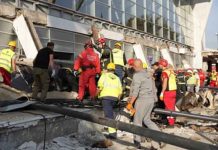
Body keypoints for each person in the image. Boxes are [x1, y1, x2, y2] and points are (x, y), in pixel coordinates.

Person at [128, 59, 162, 149]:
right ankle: (159, 137)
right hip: (150, 100)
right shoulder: (148, 74)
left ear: (135, 67)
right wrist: (154, 100)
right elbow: (154, 89)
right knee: (147, 120)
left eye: (133, 66)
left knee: (137, 122)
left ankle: (137, 143)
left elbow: (135, 92)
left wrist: (130, 103)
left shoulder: (137, 76)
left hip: (142, 100)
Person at [97, 62, 122, 138]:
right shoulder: (117, 78)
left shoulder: (104, 76)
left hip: (106, 98)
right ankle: (108, 127)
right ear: (114, 70)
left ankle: (113, 133)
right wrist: (118, 99)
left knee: (109, 115)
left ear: (107, 69)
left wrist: (94, 96)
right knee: (110, 113)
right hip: (114, 99)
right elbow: (120, 91)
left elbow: (99, 87)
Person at [159, 59, 177, 127]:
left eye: (160, 64)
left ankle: (171, 123)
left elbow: (165, 83)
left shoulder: (165, 72)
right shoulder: (171, 72)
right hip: (173, 91)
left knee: (168, 108)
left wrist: (162, 92)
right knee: (171, 107)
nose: (159, 66)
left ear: (162, 65)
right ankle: (171, 121)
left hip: (168, 92)